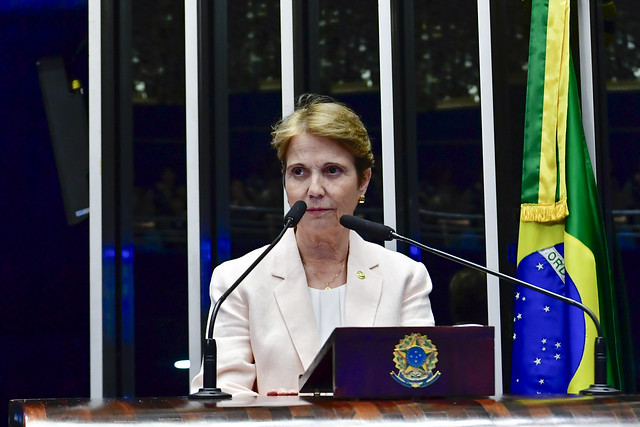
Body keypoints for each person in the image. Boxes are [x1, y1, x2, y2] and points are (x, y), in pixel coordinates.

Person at [191, 94, 435, 396]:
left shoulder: (405, 277)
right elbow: (221, 393)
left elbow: (422, 388)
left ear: (363, 181)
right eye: (299, 172)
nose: (314, 189)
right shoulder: (238, 280)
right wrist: (278, 414)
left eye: (332, 170)